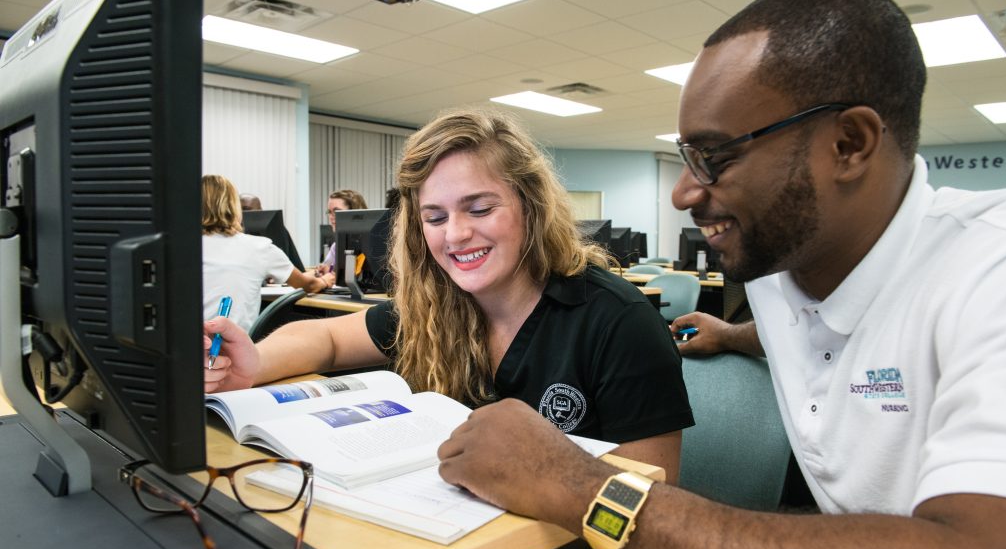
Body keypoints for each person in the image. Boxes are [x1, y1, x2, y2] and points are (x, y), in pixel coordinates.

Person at [434, 0, 1006, 549]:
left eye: (714, 156)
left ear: (850, 143)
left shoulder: (1001, 272)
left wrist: (579, 483)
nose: (684, 192)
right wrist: (735, 334)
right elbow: (830, 328)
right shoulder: (781, 266)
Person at [204, 110, 693, 477]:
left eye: (479, 209)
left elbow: (649, 495)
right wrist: (254, 364)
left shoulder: (617, 321)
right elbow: (328, 339)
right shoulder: (438, 303)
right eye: (435, 218)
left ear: (531, 207)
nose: (454, 235)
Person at [202, 174, 333, 332]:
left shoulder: (177, 249)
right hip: (233, 349)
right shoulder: (258, 248)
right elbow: (307, 285)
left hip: (184, 347)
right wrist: (325, 281)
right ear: (232, 206)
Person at [317, 189, 369, 276]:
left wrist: (331, 271)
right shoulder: (337, 246)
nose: (331, 217)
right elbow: (328, 268)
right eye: (329, 212)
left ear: (354, 213)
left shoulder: (370, 244)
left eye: (337, 211)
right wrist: (324, 270)